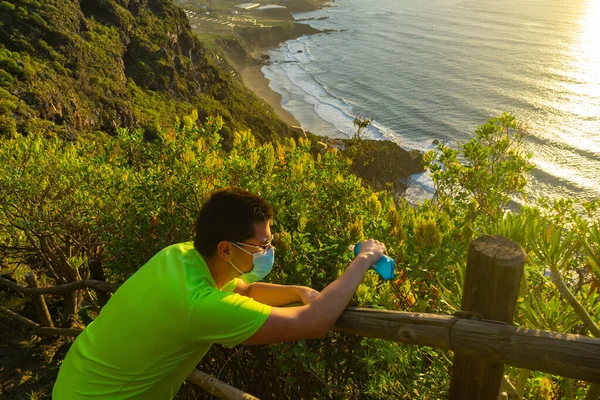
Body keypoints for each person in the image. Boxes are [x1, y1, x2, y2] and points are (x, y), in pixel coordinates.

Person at [52, 187, 386, 399]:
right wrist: (364, 259)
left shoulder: (182, 255)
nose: (269, 250)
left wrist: (299, 291)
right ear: (226, 248)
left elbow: (249, 289)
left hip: (77, 379)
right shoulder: (199, 305)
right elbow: (314, 323)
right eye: (262, 245)